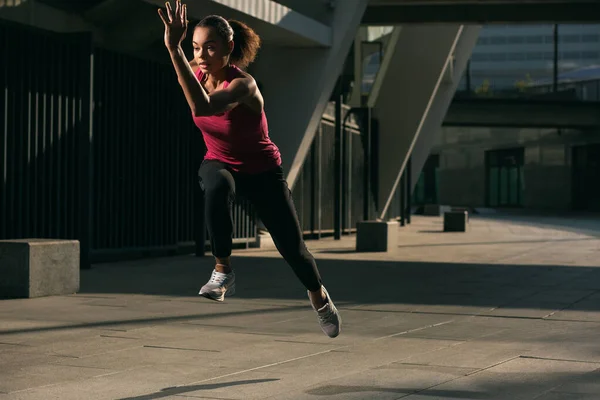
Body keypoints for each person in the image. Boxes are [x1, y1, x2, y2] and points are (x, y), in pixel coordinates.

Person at [158, 0, 341, 338]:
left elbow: (202, 106)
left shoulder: (243, 85)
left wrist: (174, 49)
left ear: (229, 48)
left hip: (262, 172)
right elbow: (195, 92)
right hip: (219, 161)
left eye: (209, 47)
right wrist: (178, 51)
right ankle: (222, 269)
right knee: (216, 188)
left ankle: (318, 296)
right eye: (195, 47)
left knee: (294, 250)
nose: (200, 55)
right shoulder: (198, 76)